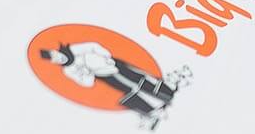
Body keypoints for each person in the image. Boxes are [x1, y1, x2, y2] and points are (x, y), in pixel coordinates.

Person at [38, 42, 180, 126]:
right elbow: (86, 83)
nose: (60, 58)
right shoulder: (69, 70)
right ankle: (154, 110)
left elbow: (93, 46)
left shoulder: (75, 49)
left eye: (57, 55)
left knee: (138, 77)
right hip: (104, 76)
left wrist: (106, 56)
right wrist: (87, 73)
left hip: (111, 62)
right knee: (129, 90)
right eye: (55, 59)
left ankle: (167, 91)